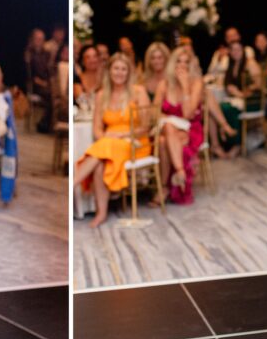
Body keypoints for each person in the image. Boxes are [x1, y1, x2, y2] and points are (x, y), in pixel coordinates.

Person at [73, 53, 151, 227]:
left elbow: (145, 126)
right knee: (100, 163)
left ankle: (73, 183)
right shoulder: (102, 95)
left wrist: (123, 135)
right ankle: (101, 212)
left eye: (124, 69)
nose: (119, 73)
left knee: (106, 147)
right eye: (116, 68)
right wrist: (106, 137)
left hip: (136, 142)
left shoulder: (139, 92)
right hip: (109, 144)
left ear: (129, 72)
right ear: (110, 71)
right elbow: (97, 129)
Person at [153, 45, 204, 204]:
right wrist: (165, 118)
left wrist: (184, 87)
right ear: (172, 64)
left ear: (191, 65)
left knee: (162, 143)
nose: (182, 65)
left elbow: (189, 114)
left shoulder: (196, 83)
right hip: (166, 129)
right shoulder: (164, 84)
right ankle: (179, 172)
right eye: (178, 61)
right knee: (166, 132)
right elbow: (153, 112)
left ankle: (163, 188)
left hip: (190, 128)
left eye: (186, 62)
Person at [25, 29, 53, 132]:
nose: (40, 41)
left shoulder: (47, 54)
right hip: (35, 86)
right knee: (51, 96)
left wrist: (48, 82)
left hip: (47, 84)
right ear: (32, 40)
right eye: (37, 39)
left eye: (42, 39)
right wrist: (39, 82)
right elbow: (28, 73)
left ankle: (46, 123)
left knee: (55, 96)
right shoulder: (29, 54)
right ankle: (44, 124)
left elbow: (50, 71)